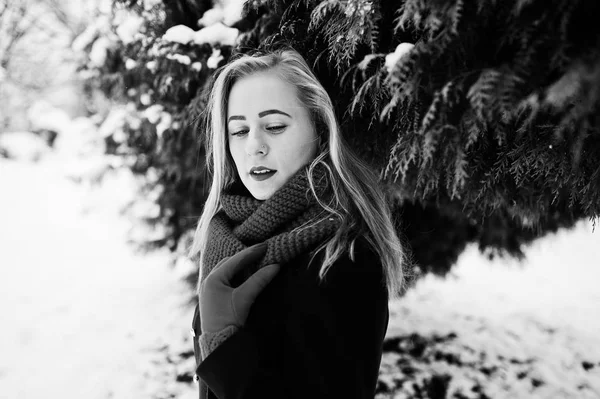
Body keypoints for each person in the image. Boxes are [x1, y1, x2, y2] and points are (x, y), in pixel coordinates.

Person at [189, 48, 409, 399]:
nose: (254, 146)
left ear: (319, 128)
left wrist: (223, 348)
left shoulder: (345, 256)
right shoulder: (226, 231)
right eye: (239, 131)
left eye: (274, 126)